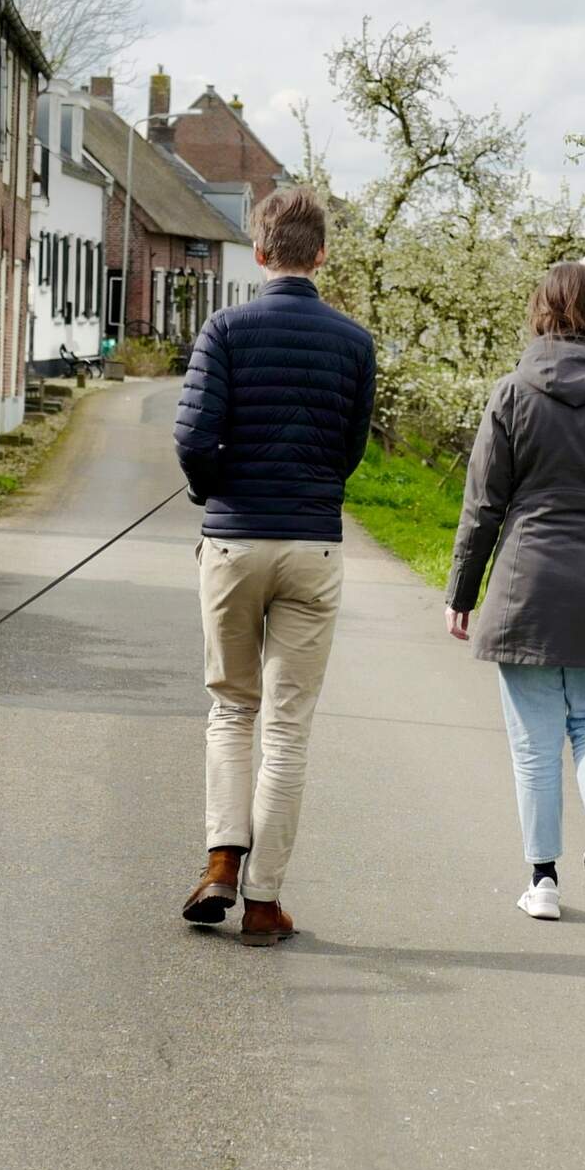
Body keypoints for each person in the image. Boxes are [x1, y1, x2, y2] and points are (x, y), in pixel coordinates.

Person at [172, 187, 377, 946]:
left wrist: (212, 485)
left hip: (232, 540)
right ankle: (263, 902)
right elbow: (350, 450)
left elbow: (193, 438)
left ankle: (222, 859)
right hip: (313, 543)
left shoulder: (224, 329)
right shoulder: (354, 343)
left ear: (260, 252)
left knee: (232, 707)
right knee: (288, 728)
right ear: (320, 254)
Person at [444, 263, 585, 923]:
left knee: (535, 744)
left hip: (528, 588)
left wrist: (462, 590)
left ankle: (543, 882)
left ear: (541, 313)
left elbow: (484, 505)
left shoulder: (513, 392)